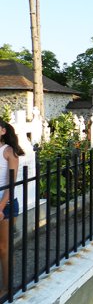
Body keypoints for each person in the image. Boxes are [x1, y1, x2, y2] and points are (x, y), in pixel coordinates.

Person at [0, 119, 25, 296]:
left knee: (3, 247)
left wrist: (0, 207)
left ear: (2, 131)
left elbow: (11, 184)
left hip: (5, 205)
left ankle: (7, 287)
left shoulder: (9, 152)